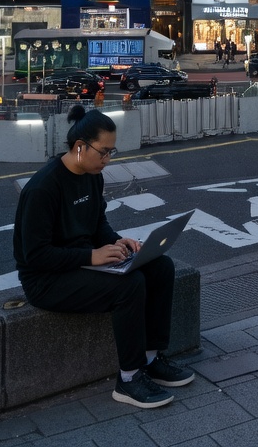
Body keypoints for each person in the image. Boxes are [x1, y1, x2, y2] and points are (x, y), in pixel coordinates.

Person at [13, 105, 193, 409]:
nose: (108, 160)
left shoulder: (92, 176)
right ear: (80, 147)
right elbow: (35, 256)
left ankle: (150, 359)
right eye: (104, 152)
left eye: (112, 151)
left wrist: (117, 242)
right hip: (45, 280)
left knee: (160, 266)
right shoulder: (43, 189)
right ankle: (129, 378)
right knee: (129, 285)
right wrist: (92, 256)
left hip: (80, 262)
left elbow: (97, 224)